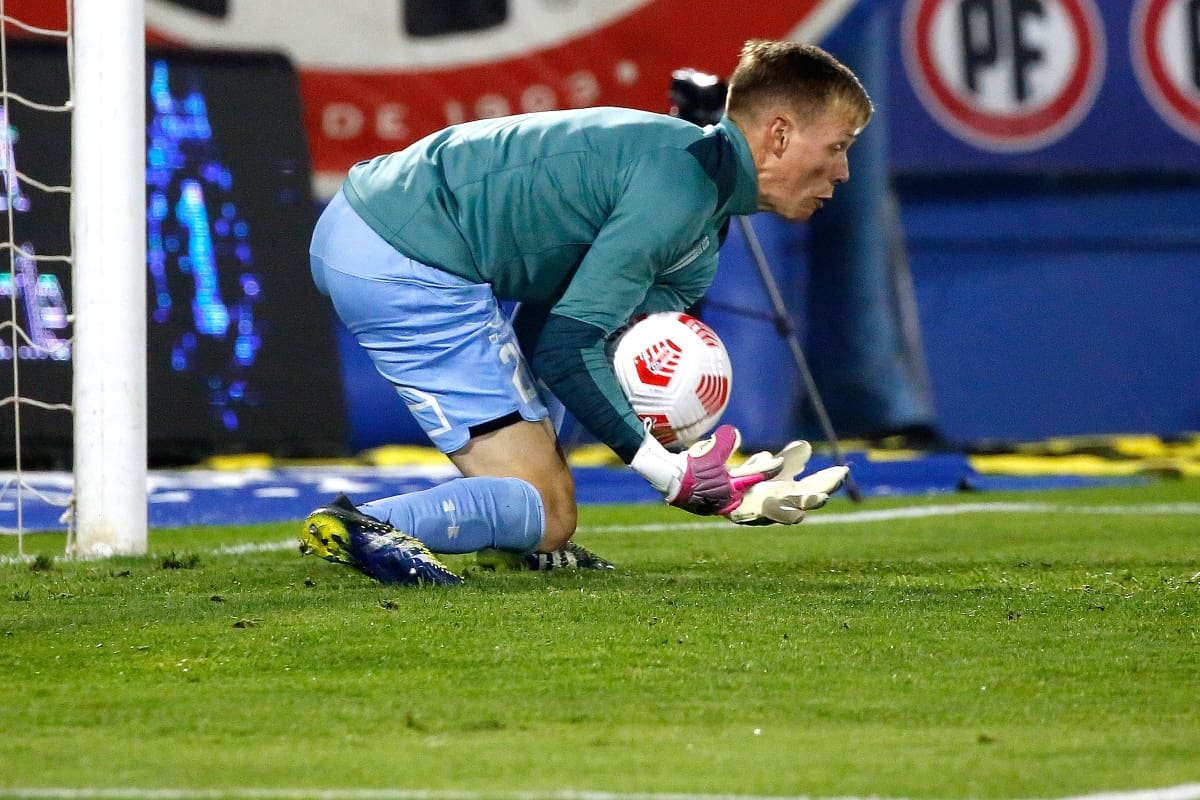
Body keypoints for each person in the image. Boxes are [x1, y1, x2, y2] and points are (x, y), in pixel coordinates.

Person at [300, 39, 869, 585]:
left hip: (383, 229)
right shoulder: (680, 191)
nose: (843, 172)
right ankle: (368, 525)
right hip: (402, 252)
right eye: (839, 146)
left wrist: (722, 488)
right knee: (547, 511)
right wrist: (672, 476)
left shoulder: (696, 209)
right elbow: (566, 347)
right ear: (779, 134)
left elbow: (576, 344)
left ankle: (514, 541)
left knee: (543, 512)